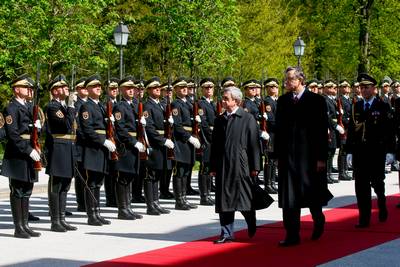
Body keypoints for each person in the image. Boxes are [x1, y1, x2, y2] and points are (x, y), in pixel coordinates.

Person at [274, 67, 333, 246]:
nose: (287, 82)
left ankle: (318, 218)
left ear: (300, 80)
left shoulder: (316, 101)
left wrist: (322, 158)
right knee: (289, 197)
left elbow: (322, 131)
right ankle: (292, 234)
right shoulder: (283, 101)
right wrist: (277, 155)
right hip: (288, 157)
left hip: (309, 157)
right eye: (286, 79)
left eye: (290, 79)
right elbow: (279, 130)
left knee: (311, 194)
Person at [210, 86, 261, 244]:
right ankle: (226, 233)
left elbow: (254, 144)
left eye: (226, 98)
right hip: (223, 165)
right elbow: (215, 145)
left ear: (236, 101)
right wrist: (212, 166)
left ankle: (250, 219)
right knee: (224, 200)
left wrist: (255, 167)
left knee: (244, 199)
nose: (223, 101)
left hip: (241, 165)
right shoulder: (220, 119)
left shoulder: (247, 118)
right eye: (223, 98)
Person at [346, 73, 395, 228]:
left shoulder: (382, 106)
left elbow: (389, 131)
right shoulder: (356, 106)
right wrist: (349, 151)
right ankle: (364, 217)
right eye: (361, 88)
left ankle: (381, 202)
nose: (364, 90)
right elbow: (352, 131)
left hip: (376, 151)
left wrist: (390, 151)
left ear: (374, 89)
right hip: (360, 152)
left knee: (377, 182)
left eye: (367, 87)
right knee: (361, 186)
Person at [2, 74, 41, 238]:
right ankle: (18, 227)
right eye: (25, 87)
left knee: (27, 190)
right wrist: (29, 150)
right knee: (17, 191)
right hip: (18, 154)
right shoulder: (10, 108)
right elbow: (13, 135)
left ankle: (25, 224)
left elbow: (30, 132)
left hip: (29, 152)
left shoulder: (29, 107)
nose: (29, 90)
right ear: (17, 89)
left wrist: (37, 128)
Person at [79, 75, 114, 226]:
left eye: (99, 86)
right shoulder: (86, 107)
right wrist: (103, 140)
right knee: (91, 182)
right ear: (87, 89)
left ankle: (97, 213)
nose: (98, 88)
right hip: (93, 148)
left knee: (98, 182)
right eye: (95, 86)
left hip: (102, 148)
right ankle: (91, 215)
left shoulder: (101, 106)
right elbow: (87, 129)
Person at [44, 74, 77, 232]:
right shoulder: (52, 107)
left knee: (65, 185)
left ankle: (62, 218)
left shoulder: (63, 107)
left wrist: (69, 107)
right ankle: (55, 220)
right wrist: (71, 107)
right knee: (56, 186)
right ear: (55, 91)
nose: (67, 89)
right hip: (58, 148)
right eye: (63, 87)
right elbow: (66, 125)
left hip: (68, 147)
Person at [112, 76, 145, 220]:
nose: (131, 90)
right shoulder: (120, 106)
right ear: (121, 90)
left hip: (135, 144)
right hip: (126, 146)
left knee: (130, 177)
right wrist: (133, 141)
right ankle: (122, 209)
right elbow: (120, 129)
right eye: (127, 88)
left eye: (132, 88)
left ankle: (128, 207)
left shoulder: (135, 104)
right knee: (123, 178)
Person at [143, 77, 173, 214]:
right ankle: (151, 205)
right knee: (151, 175)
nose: (158, 89)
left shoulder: (161, 104)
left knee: (158, 174)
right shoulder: (147, 106)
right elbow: (149, 128)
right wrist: (162, 140)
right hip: (154, 144)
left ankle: (156, 202)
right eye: (154, 87)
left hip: (161, 143)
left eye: (159, 87)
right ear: (148, 90)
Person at [171, 77, 200, 210]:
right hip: (181, 141)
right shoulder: (176, 104)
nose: (184, 88)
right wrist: (189, 137)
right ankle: (179, 200)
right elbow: (177, 126)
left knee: (187, 171)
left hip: (189, 140)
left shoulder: (189, 103)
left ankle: (184, 198)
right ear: (175, 89)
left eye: (185, 86)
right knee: (180, 171)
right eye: (180, 87)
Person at [197, 77, 216, 205]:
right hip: (207, 139)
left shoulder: (213, 104)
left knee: (210, 167)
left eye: (211, 87)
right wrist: (213, 136)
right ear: (202, 89)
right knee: (204, 168)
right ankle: (204, 195)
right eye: (206, 87)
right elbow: (204, 124)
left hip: (214, 139)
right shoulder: (201, 104)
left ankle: (208, 193)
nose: (209, 89)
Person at [103, 78, 119, 208]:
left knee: (116, 171)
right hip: (109, 139)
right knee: (110, 172)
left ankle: (116, 196)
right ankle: (110, 198)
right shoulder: (104, 104)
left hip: (118, 140)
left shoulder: (118, 104)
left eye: (116, 89)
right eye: (112, 89)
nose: (114, 91)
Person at [263, 78, 280, 194]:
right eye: (271, 87)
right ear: (267, 89)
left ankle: (273, 182)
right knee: (269, 160)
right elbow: (271, 119)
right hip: (271, 133)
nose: (274, 89)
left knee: (274, 159)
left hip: (277, 133)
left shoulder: (277, 101)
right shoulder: (267, 101)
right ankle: (268, 184)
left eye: (275, 87)